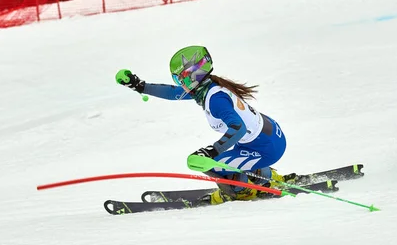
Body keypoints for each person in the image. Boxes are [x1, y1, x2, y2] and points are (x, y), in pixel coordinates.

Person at [116, 45, 287, 204]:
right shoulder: (207, 87)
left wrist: (212, 151)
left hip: (265, 147)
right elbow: (173, 93)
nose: (179, 83)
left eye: (180, 78)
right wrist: (140, 86)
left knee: (210, 164)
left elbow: (238, 128)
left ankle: (241, 191)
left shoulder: (215, 99)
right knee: (219, 159)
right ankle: (266, 177)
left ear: (193, 76)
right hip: (269, 138)